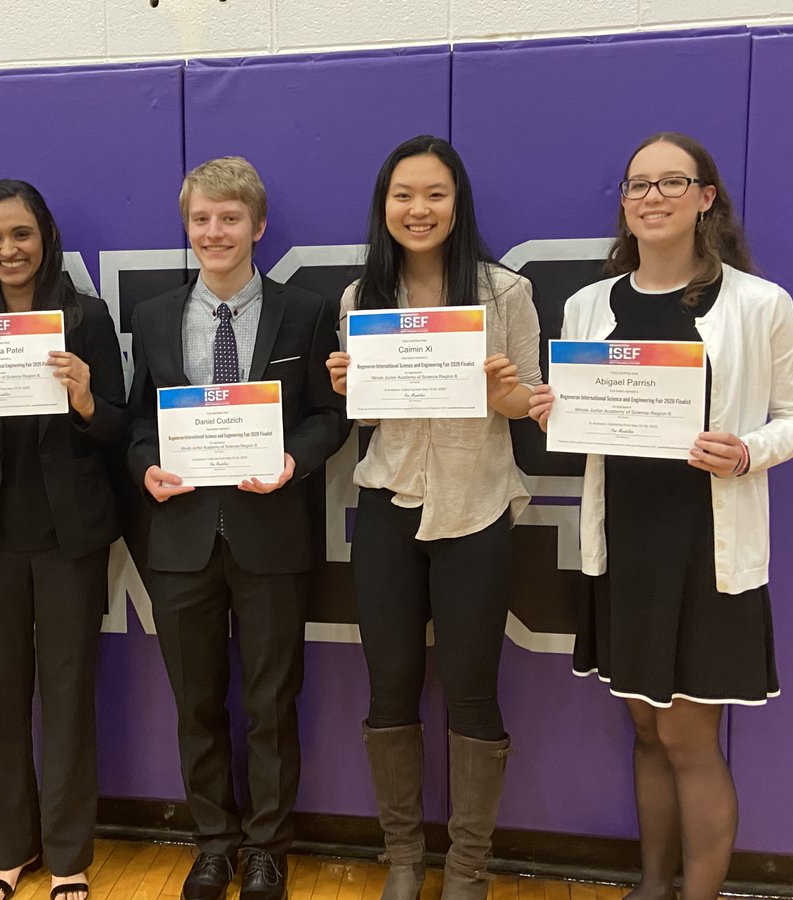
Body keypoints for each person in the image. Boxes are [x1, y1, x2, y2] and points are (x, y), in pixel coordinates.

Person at [528, 132, 793, 900]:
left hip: (707, 548)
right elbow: (581, 421)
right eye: (637, 185)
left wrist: (749, 451)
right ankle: (652, 887)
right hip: (624, 545)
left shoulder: (759, 304)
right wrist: (547, 412)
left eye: (671, 183)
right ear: (624, 205)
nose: (652, 197)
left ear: (706, 198)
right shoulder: (590, 304)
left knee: (690, 737)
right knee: (648, 727)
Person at [127, 157, 349, 900]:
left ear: (258, 226)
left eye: (229, 218)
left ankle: (267, 848)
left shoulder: (306, 310)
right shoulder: (157, 316)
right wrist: (146, 468)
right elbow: (136, 423)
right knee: (195, 703)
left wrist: (296, 459)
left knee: (269, 701)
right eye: (201, 219)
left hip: (271, 533)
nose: (214, 232)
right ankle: (213, 843)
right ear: (187, 227)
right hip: (182, 537)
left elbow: (330, 414)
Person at [325, 135, 539, 900]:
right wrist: (346, 383)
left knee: (473, 687)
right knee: (391, 686)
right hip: (387, 503)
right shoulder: (361, 299)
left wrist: (505, 389)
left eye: (435, 194)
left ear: (458, 202)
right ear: (384, 207)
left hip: (476, 504)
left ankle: (469, 872)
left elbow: (528, 407)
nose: (419, 209)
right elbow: (363, 415)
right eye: (403, 195)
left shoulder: (504, 292)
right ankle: (405, 862)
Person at [0, 179, 126, 900]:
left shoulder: (87, 317)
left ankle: (68, 855)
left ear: (46, 237)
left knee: (69, 695)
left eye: (21, 234)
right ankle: (9, 850)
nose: (9, 250)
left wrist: (86, 399)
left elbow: (118, 428)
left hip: (71, 534)